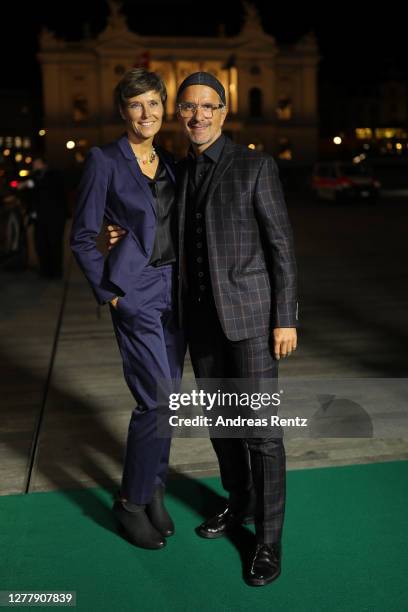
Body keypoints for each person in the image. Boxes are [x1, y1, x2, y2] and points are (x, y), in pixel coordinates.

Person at [107, 72, 298, 586]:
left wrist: (286, 317)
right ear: (181, 114)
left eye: (207, 107)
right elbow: (152, 216)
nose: (197, 116)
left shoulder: (255, 166)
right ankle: (239, 504)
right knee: (223, 428)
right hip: (201, 325)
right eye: (188, 108)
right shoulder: (178, 169)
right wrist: (120, 232)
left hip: (254, 321)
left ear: (223, 111)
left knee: (261, 434)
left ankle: (268, 542)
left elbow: (281, 248)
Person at [70, 68, 185, 550]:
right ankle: (131, 502)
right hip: (135, 291)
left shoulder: (173, 163)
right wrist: (111, 291)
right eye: (136, 105)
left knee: (170, 403)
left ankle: (154, 488)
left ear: (164, 109)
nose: (147, 114)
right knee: (154, 400)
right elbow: (82, 235)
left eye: (154, 104)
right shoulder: (104, 160)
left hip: (175, 289)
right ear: (123, 111)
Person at [24, 155, 67, 278]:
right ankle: (45, 270)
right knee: (40, 244)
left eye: (37, 163)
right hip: (39, 219)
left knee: (54, 244)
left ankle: (56, 271)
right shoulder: (34, 177)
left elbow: (50, 191)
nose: (34, 166)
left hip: (54, 218)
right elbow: (31, 197)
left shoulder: (53, 176)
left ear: (44, 164)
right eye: (34, 163)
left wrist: (31, 183)